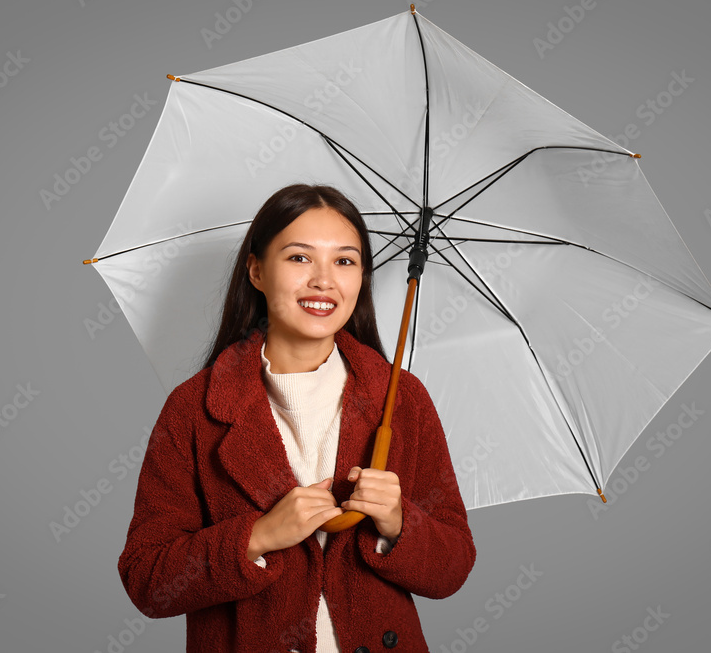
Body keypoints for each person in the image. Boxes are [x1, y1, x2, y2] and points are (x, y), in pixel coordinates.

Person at [118, 183, 476, 652]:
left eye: (345, 261)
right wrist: (259, 536)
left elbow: (452, 568)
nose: (324, 281)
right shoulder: (194, 409)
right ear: (257, 271)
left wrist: (398, 521)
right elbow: (148, 580)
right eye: (299, 258)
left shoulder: (401, 399)